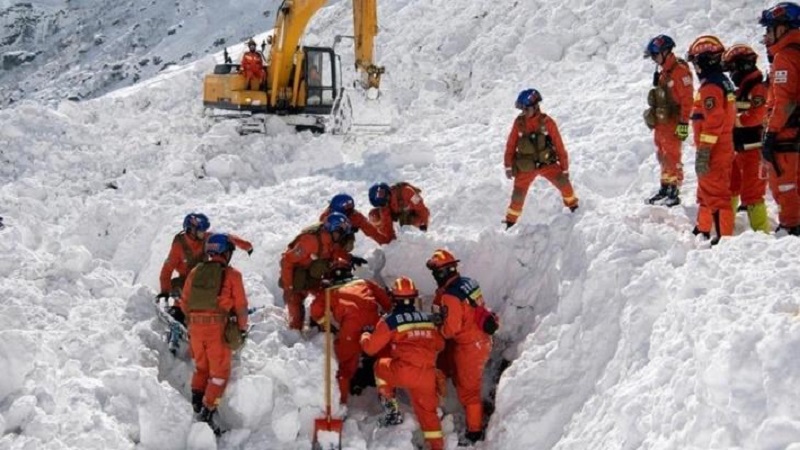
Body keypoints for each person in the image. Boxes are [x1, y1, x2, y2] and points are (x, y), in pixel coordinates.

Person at [360, 276, 446, 450]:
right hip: (427, 374)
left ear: (393, 297)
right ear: (414, 298)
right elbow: (440, 345)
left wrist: (365, 335)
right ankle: (437, 446)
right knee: (428, 414)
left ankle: (391, 410)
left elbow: (370, 348)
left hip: (404, 371)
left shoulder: (390, 320)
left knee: (379, 366)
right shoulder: (428, 319)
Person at [175, 233, 249, 433]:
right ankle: (207, 412)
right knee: (219, 374)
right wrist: (242, 328)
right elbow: (241, 306)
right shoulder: (233, 275)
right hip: (217, 329)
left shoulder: (195, 272)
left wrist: (196, 320)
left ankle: (196, 405)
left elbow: (184, 302)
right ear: (226, 253)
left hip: (195, 329)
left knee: (201, 368)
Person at [426, 249, 497, 445]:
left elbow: (451, 330)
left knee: (469, 391)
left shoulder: (450, 296)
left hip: (471, 347)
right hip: (481, 339)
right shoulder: (469, 283)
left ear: (441, 273)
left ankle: (474, 432)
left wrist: (438, 328)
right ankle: (476, 412)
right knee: (466, 382)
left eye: (435, 273)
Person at [308, 257, 392, 404]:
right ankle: (389, 398)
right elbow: (386, 301)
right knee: (384, 359)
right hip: (375, 325)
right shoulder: (365, 283)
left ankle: (341, 403)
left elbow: (315, 311)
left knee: (345, 367)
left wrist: (326, 325)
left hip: (350, 329)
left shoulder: (329, 292)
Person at [502, 88, 578, 229]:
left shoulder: (547, 122)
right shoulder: (519, 123)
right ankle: (510, 223)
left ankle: (574, 209)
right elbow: (511, 145)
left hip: (547, 164)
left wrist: (564, 168)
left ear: (536, 106)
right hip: (525, 166)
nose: (524, 112)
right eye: (522, 109)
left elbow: (559, 146)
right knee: (517, 197)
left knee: (565, 185)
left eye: (526, 109)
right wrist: (508, 166)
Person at [687, 35, 737, 244]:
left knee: (716, 193)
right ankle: (703, 227)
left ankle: (723, 238)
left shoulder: (711, 87)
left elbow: (714, 120)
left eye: (696, 63)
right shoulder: (722, 82)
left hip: (714, 148)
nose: (696, 69)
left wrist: (705, 150)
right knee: (706, 190)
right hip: (721, 145)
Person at [759, 2, 800, 236]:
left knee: (784, 184)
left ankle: (790, 226)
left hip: (786, 133)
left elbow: (783, 103)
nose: (767, 35)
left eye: (769, 29)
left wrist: (771, 133)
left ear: (782, 28)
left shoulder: (785, 57)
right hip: (795, 130)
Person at [722, 44, 771, 233]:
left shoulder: (759, 88)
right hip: (739, 148)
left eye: (732, 68)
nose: (731, 73)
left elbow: (756, 116)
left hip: (754, 150)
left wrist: (733, 120)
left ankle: (762, 234)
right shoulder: (741, 89)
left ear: (743, 65)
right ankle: (725, 228)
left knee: (753, 194)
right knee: (730, 187)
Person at [643, 34, 695, 206]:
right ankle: (665, 186)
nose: (654, 59)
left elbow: (688, 100)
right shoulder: (665, 70)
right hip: (662, 122)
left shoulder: (679, 71)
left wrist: (683, 123)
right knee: (662, 154)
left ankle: (674, 188)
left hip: (674, 121)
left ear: (665, 52)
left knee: (673, 155)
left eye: (655, 55)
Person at [280, 212, 353, 330]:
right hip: (296, 274)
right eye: (340, 232)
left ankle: (318, 321)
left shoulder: (332, 240)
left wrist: (350, 259)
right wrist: (288, 286)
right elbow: (287, 260)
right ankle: (295, 331)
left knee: (326, 296)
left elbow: (336, 253)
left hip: (313, 274)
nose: (342, 236)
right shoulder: (310, 241)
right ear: (332, 229)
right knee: (296, 314)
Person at [158, 213, 211, 304]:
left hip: (203, 282)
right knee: (180, 291)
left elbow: (226, 238)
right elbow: (167, 270)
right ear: (192, 230)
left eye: (204, 230)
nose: (204, 232)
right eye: (201, 230)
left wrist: (239, 243)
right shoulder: (179, 246)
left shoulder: (206, 239)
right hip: (185, 286)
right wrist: (165, 292)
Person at [319, 193, 390, 246]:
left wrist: (386, 243)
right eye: (347, 207)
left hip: (344, 237)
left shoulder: (355, 216)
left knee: (348, 245)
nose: (351, 210)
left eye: (350, 207)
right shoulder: (325, 217)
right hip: (328, 240)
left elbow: (371, 230)